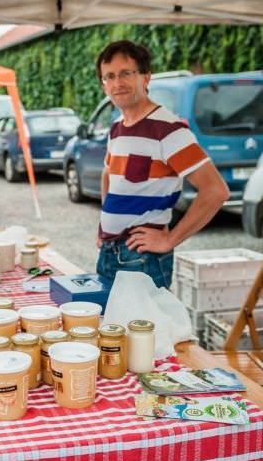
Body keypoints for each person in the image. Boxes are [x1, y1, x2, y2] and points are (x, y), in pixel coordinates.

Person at [95, 40, 229, 302]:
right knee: (112, 336)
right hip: (109, 252)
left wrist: (170, 240)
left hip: (141, 260)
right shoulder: (117, 127)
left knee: (147, 341)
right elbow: (108, 174)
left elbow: (216, 191)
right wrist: (105, 227)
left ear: (146, 77)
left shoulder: (168, 129)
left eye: (126, 73)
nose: (117, 83)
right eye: (109, 76)